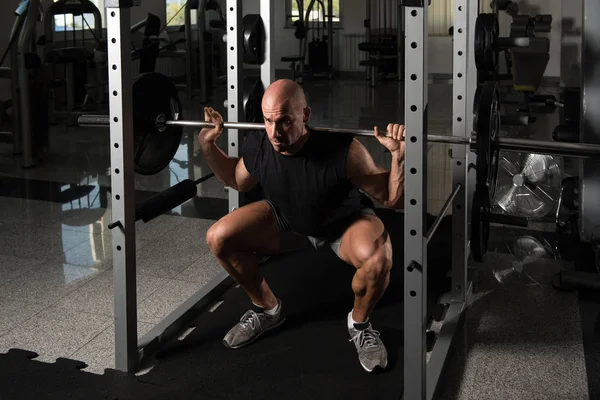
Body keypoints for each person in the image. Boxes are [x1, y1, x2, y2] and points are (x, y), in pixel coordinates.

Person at [198, 79, 405, 373]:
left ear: (305, 115)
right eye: (268, 121)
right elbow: (235, 178)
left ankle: (359, 324)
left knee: (378, 258)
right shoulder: (260, 143)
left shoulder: (344, 151)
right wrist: (208, 145)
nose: (275, 132)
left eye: (284, 121)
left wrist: (399, 155)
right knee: (218, 236)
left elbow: (391, 198)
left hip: (341, 224)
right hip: (287, 219)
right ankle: (268, 310)